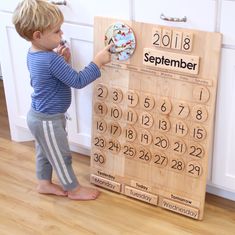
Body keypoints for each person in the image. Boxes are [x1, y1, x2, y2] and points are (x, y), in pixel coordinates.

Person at [12, 0, 112, 200]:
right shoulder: (50, 59)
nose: (62, 34)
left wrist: (62, 61)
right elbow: (78, 81)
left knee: (45, 152)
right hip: (48, 120)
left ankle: (43, 183)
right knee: (60, 155)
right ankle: (73, 189)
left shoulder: (35, 54)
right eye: (57, 31)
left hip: (40, 116)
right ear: (38, 36)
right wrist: (97, 62)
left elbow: (47, 78)